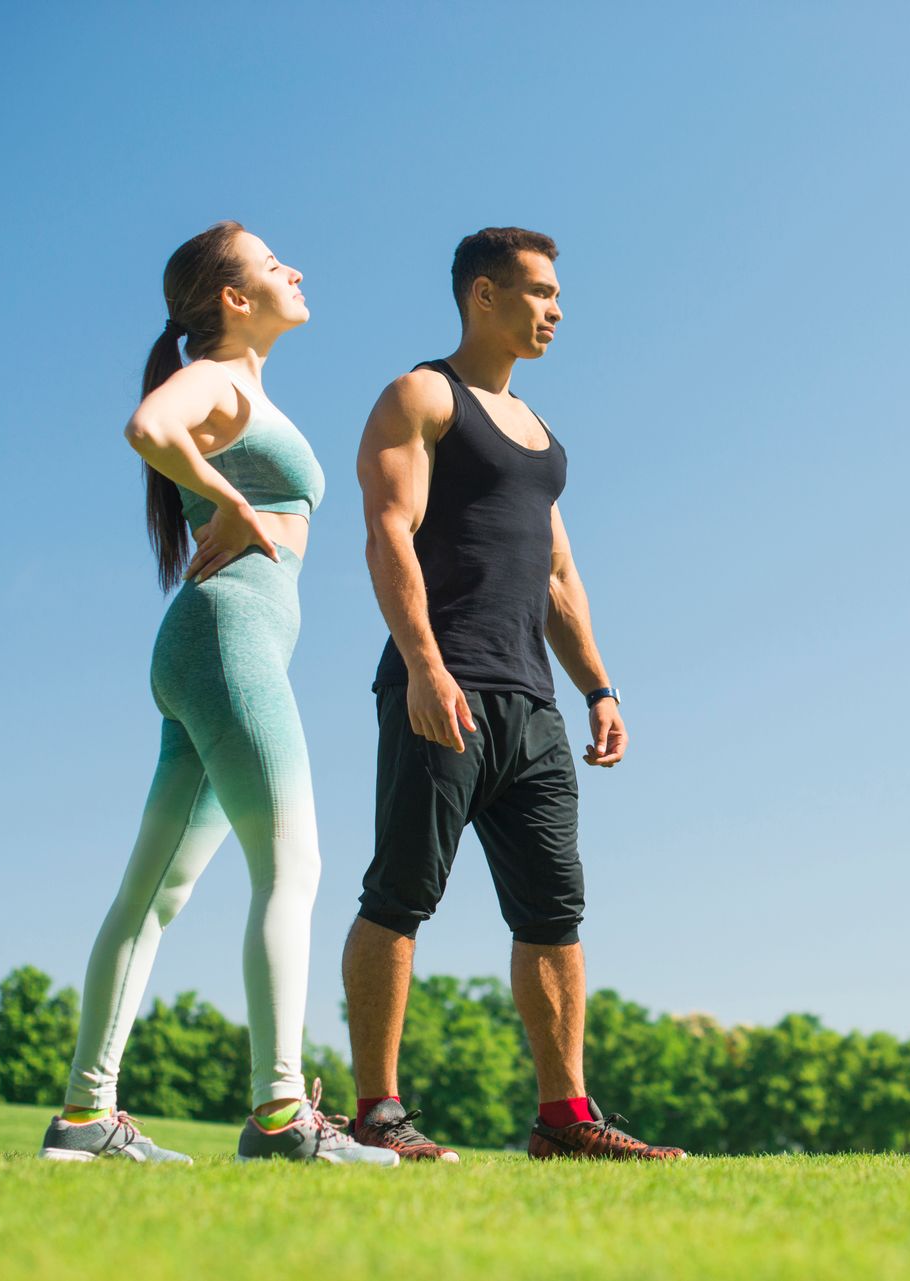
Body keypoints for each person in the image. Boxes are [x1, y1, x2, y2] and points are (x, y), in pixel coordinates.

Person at [37, 221, 396, 1167]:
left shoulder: (244, 386)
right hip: (228, 641)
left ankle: (84, 1116)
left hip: (211, 645)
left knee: (154, 893)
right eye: (276, 264)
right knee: (293, 867)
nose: (297, 270)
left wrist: (225, 496)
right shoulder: (220, 378)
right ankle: (282, 1116)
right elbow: (148, 428)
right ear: (234, 298)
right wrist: (230, 502)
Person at [343, 227, 686, 1161]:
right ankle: (378, 1113)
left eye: (558, 293)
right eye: (539, 291)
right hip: (440, 689)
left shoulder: (541, 438)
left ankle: (564, 1120)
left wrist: (598, 688)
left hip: (531, 705)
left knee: (553, 911)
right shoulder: (422, 396)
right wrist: (422, 664)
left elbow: (560, 578)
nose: (557, 309)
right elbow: (388, 532)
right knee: (401, 894)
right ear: (483, 295)